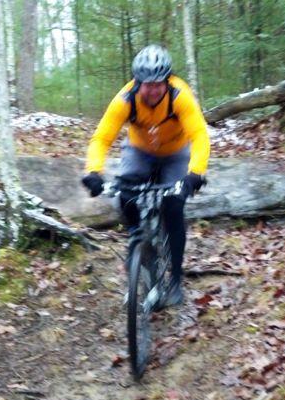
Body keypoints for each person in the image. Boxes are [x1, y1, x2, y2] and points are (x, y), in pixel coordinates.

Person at [80, 44, 210, 308]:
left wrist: (194, 174)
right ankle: (137, 239)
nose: (152, 90)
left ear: (167, 81)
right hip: (139, 151)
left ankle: (174, 278)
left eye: (158, 84)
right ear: (137, 82)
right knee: (124, 196)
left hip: (175, 152)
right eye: (147, 84)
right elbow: (102, 138)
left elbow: (199, 136)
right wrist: (94, 171)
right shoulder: (125, 99)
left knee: (174, 205)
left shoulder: (179, 95)